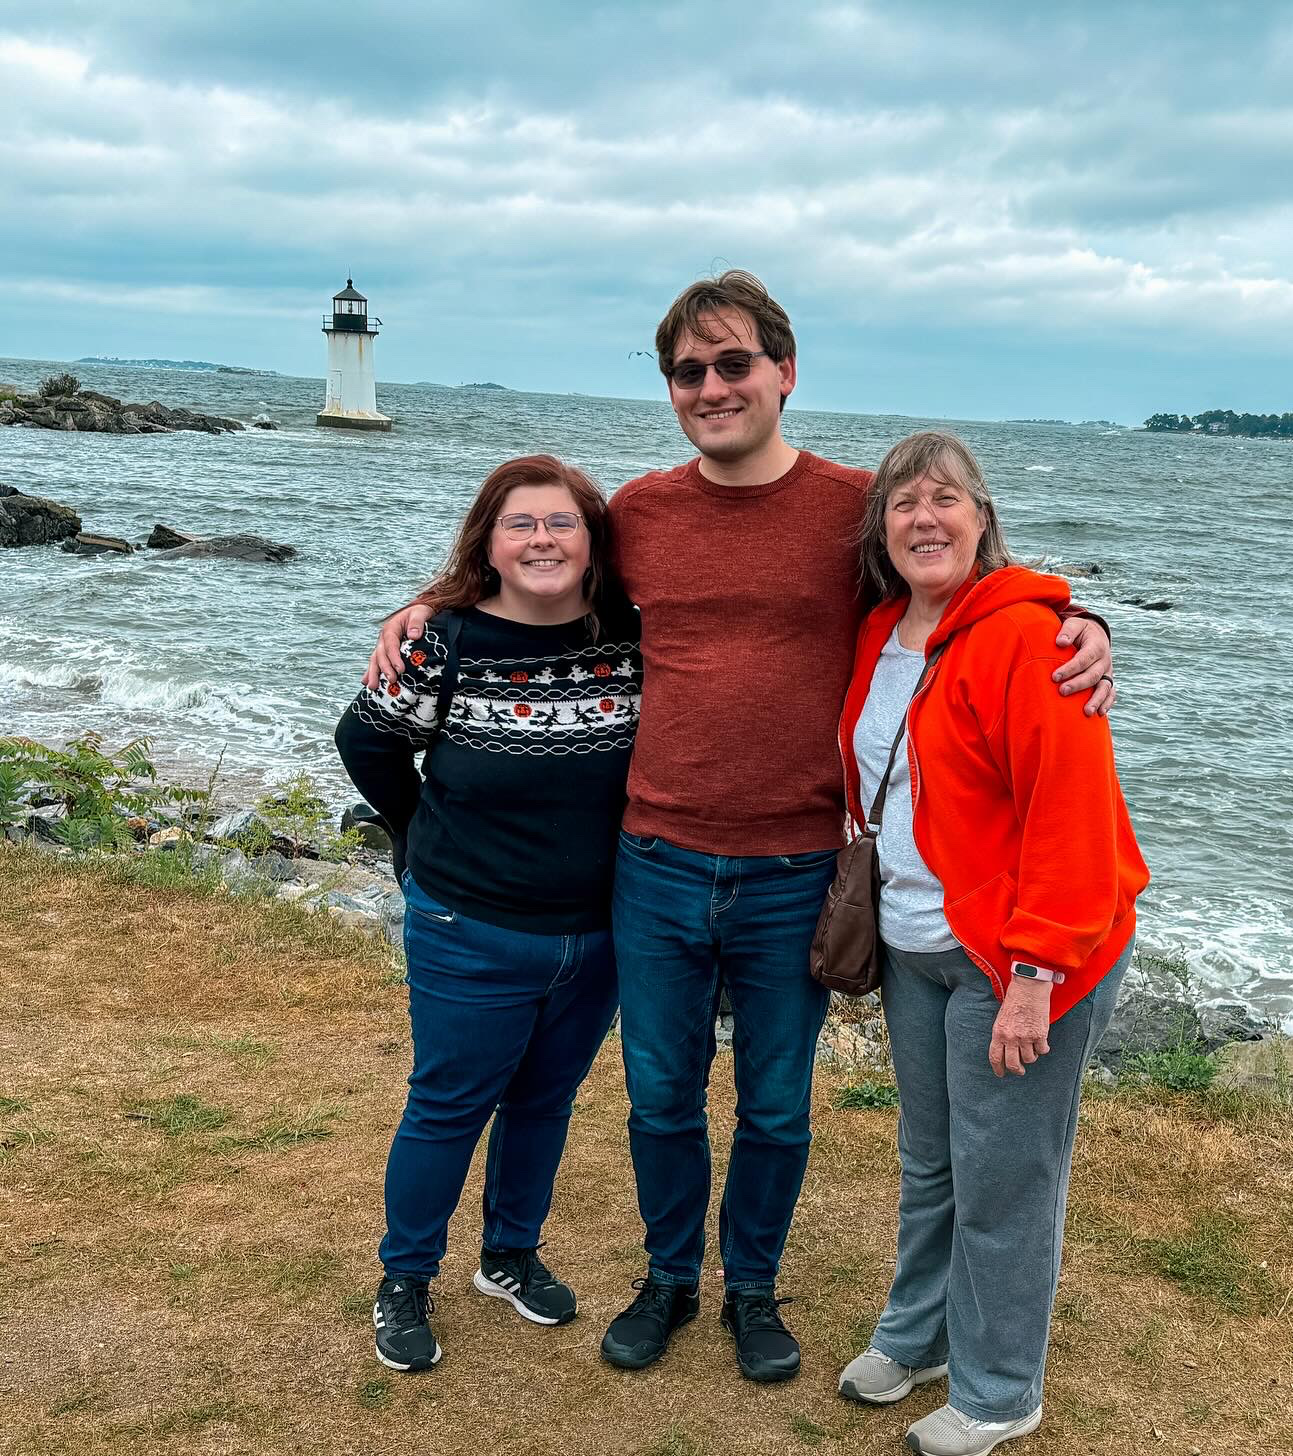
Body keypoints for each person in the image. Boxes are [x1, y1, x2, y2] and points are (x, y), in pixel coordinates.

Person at [366, 272, 1115, 1386]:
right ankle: (670, 1278)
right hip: (654, 859)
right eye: (688, 371)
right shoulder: (643, 515)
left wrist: (1078, 617)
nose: (711, 387)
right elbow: (538, 573)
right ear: (672, 388)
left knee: (774, 1102)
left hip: (795, 867)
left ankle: (752, 1290)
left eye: (733, 365)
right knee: (659, 1092)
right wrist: (429, 602)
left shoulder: (855, 507)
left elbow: (952, 579)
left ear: (784, 372)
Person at [833, 430, 1147, 1456]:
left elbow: (1072, 812)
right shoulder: (882, 628)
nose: (926, 517)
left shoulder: (1030, 637)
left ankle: (1001, 1385)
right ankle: (918, 1336)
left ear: (982, 516)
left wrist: (1034, 976)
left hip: (1020, 954)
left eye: (947, 498)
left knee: (1005, 1174)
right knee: (932, 1159)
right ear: (883, 528)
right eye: (904, 502)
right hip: (917, 937)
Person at [337, 455, 641, 1372]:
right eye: (522, 525)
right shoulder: (444, 642)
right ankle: (405, 1277)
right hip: (466, 926)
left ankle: (509, 1255)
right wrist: (414, 830)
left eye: (561, 523)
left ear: (593, 542)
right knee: (447, 1105)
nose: (542, 539)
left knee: (544, 1100)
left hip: (597, 933)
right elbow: (368, 741)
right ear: (491, 543)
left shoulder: (630, 635)